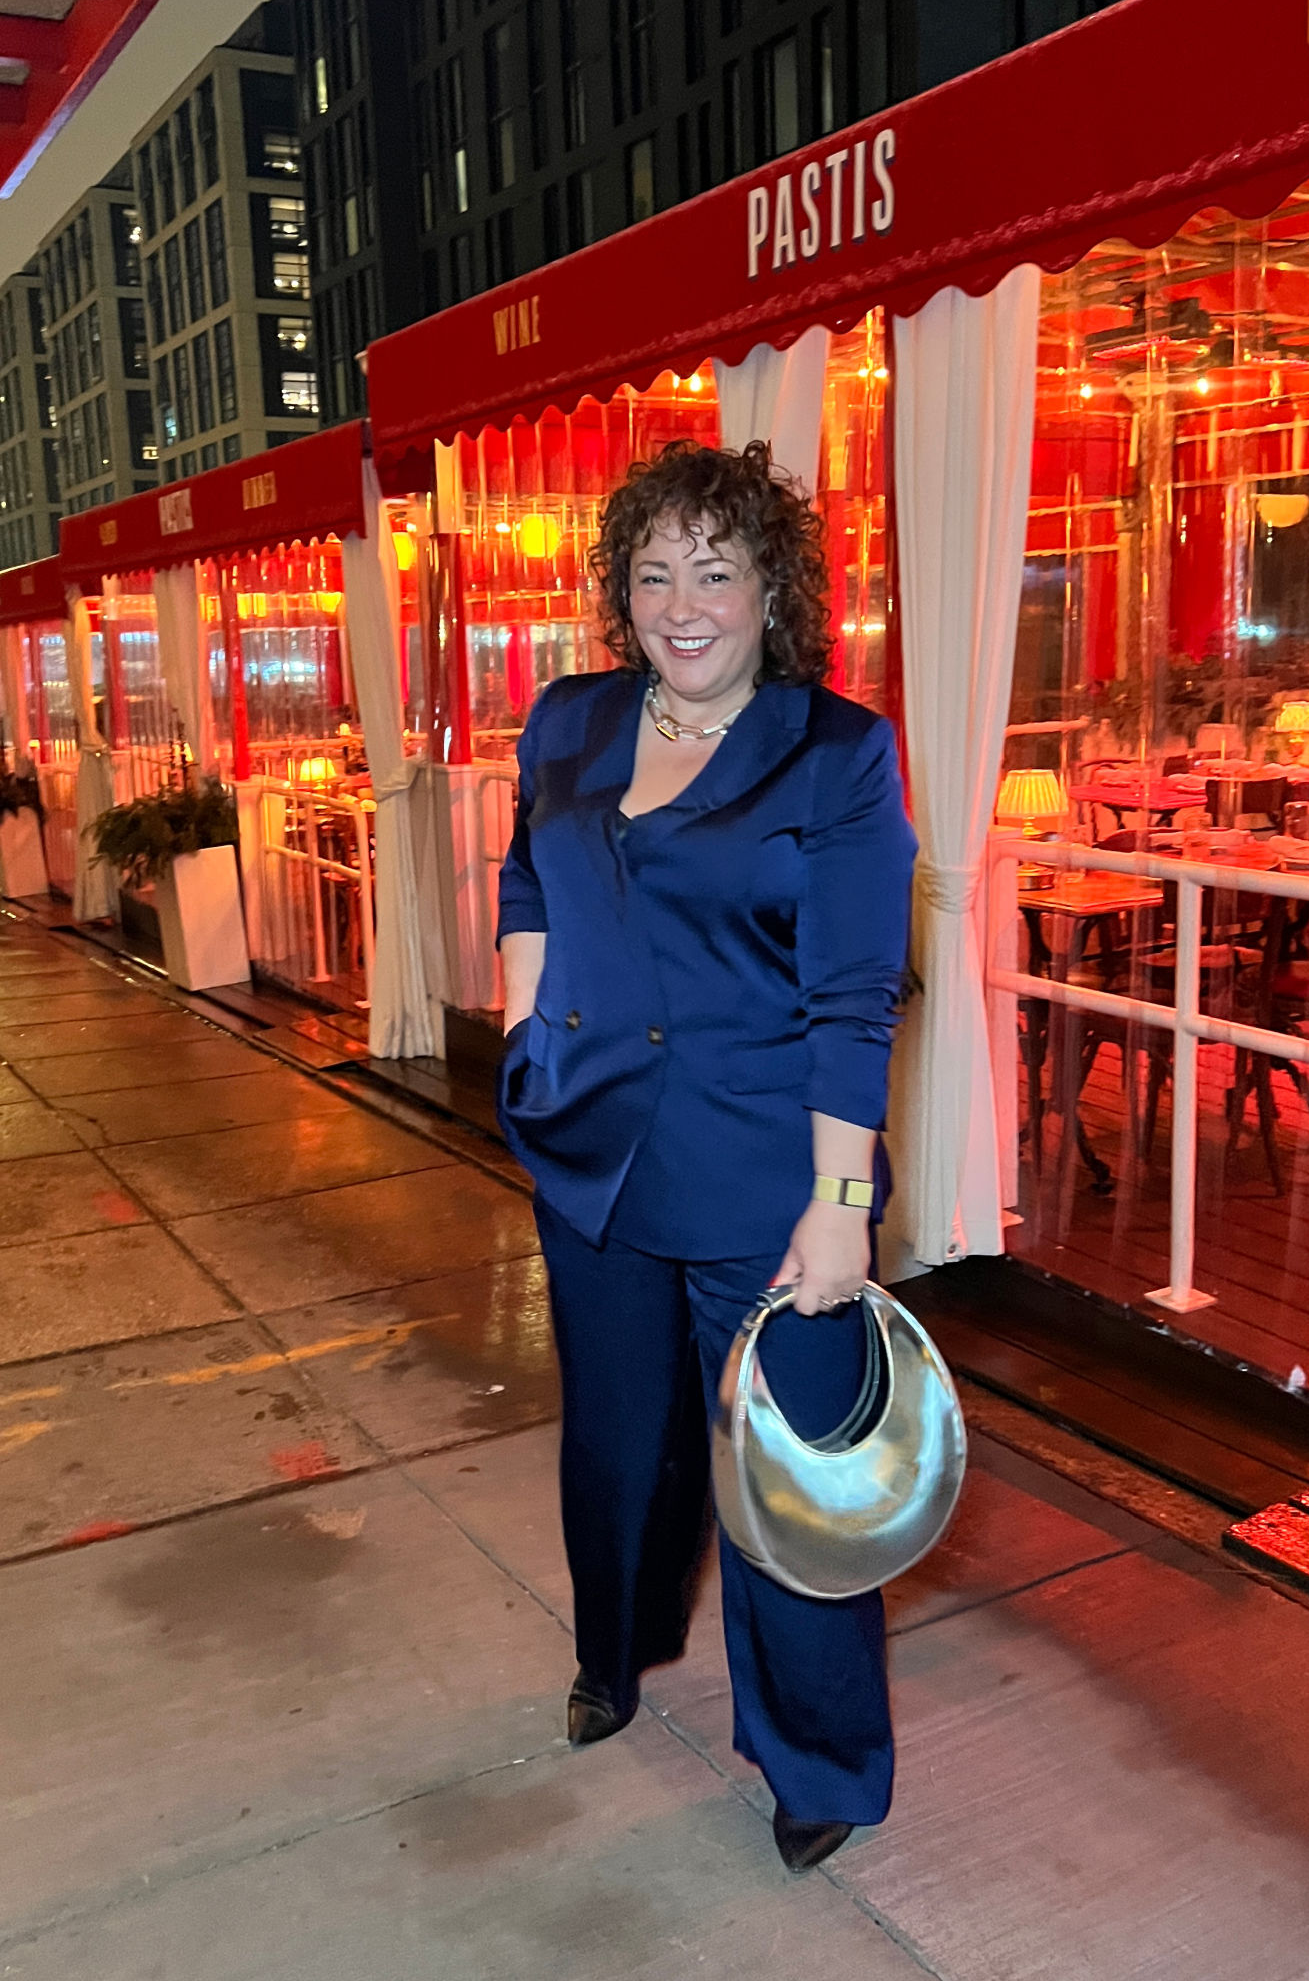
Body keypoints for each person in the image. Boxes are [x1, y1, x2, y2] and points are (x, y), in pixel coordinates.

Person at [496, 439, 916, 1874]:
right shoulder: (567, 719)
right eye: (654, 570)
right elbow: (524, 866)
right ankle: (613, 1656)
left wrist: (842, 1206)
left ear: (770, 592)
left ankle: (819, 1760)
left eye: (717, 572)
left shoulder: (839, 752)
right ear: (622, 588)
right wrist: (524, 1009)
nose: (683, 603)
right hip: (592, 1157)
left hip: (766, 1173)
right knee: (614, 1441)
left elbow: (856, 995)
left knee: (783, 1478)